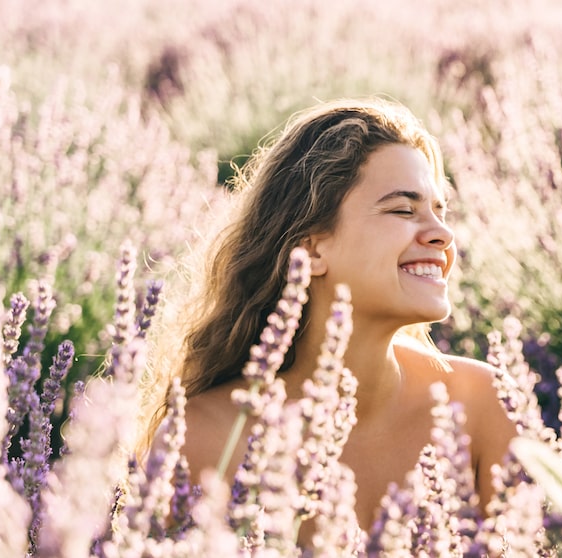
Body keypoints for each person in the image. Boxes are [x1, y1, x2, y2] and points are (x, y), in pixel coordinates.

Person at [147, 97, 517, 543]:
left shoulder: (481, 405)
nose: (442, 233)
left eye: (440, 210)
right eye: (403, 209)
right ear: (312, 249)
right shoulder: (207, 437)